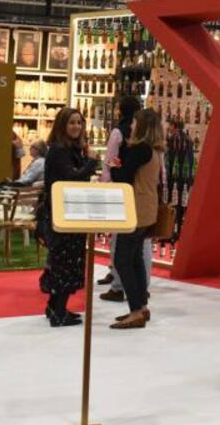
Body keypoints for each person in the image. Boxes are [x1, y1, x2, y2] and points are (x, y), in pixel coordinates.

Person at [39, 107, 98, 326]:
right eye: (72, 122)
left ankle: (55, 307)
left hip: (71, 212)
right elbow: (72, 178)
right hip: (63, 214)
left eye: (79, 123)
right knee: (65, 261)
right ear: (62, 125)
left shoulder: (71, 149)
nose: (76, 127)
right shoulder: (59, 150)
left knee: (67, 261)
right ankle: (58, 312)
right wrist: (91, 162)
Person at [111, 108, 166, 329]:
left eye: (134, 122)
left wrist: (114, 164)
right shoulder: (154, 151)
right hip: (147, 208)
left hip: (135, 209)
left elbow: (122, 177)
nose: (131, 126)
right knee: (135, 259)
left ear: (141, 126)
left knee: (122, 259)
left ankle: (135, 310)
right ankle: (141, 306)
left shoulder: (140, 150)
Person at [100, 95, 142, 302]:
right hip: (140, 192)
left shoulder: (119, 132)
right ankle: (140, 286)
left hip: (120, 189)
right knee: (140, 244)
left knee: (118, 238)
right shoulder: (145, 135)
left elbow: (111, 160)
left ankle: (117, 284)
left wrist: (108, 179)